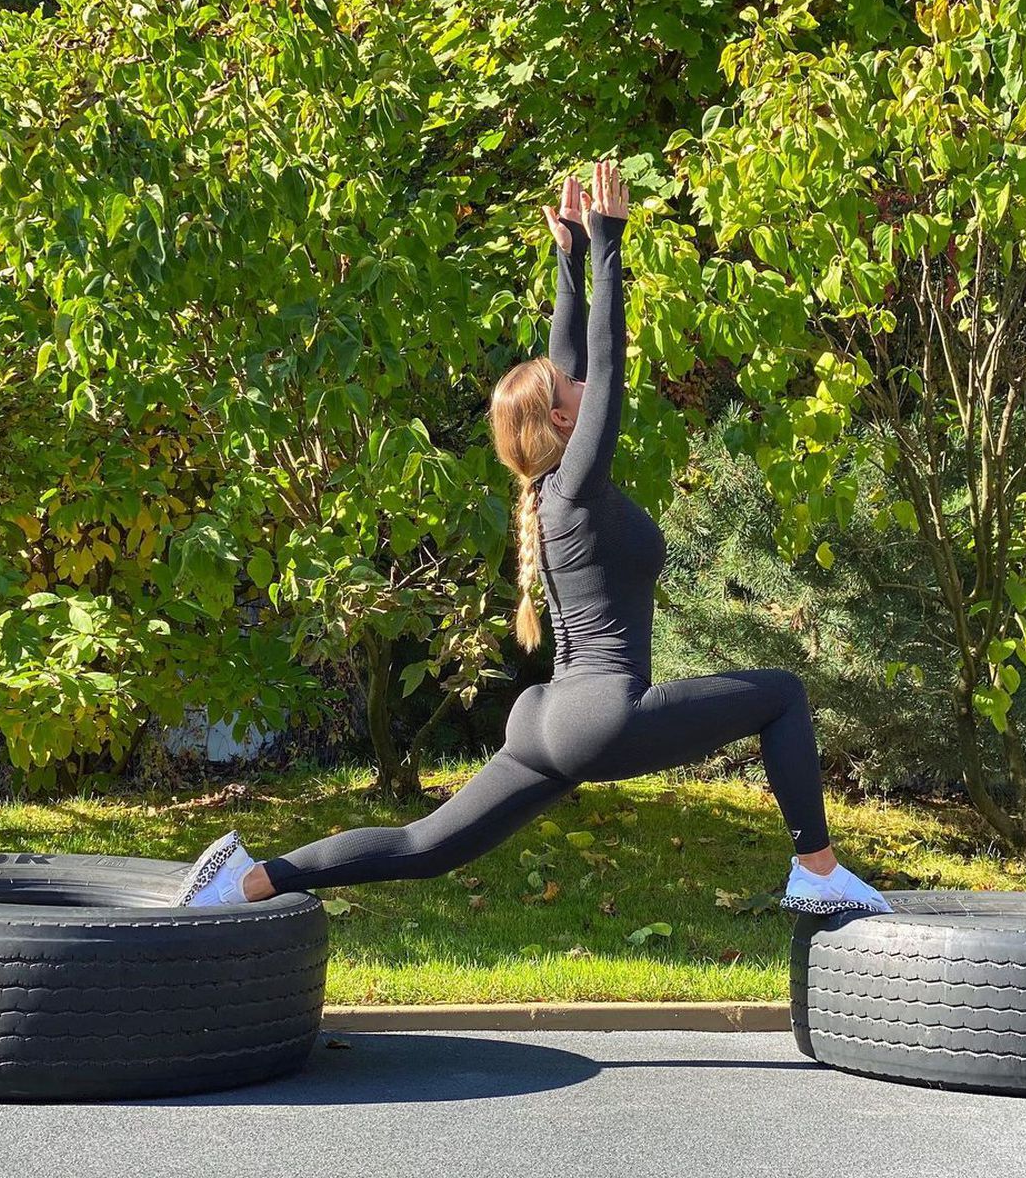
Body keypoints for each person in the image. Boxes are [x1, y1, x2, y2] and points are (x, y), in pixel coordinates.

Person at [169, 159, 893, 917]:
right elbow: (605, 370)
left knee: (425, 848)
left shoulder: (548, 491)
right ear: (560, 421)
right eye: (569, 392)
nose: (579, 385)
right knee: (782, 696)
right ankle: (815, 868)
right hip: (603, 716)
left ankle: (243, 881)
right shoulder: (575, 486)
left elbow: (577, 366)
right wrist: (610, 241)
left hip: (548, 718)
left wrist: (570, 259)